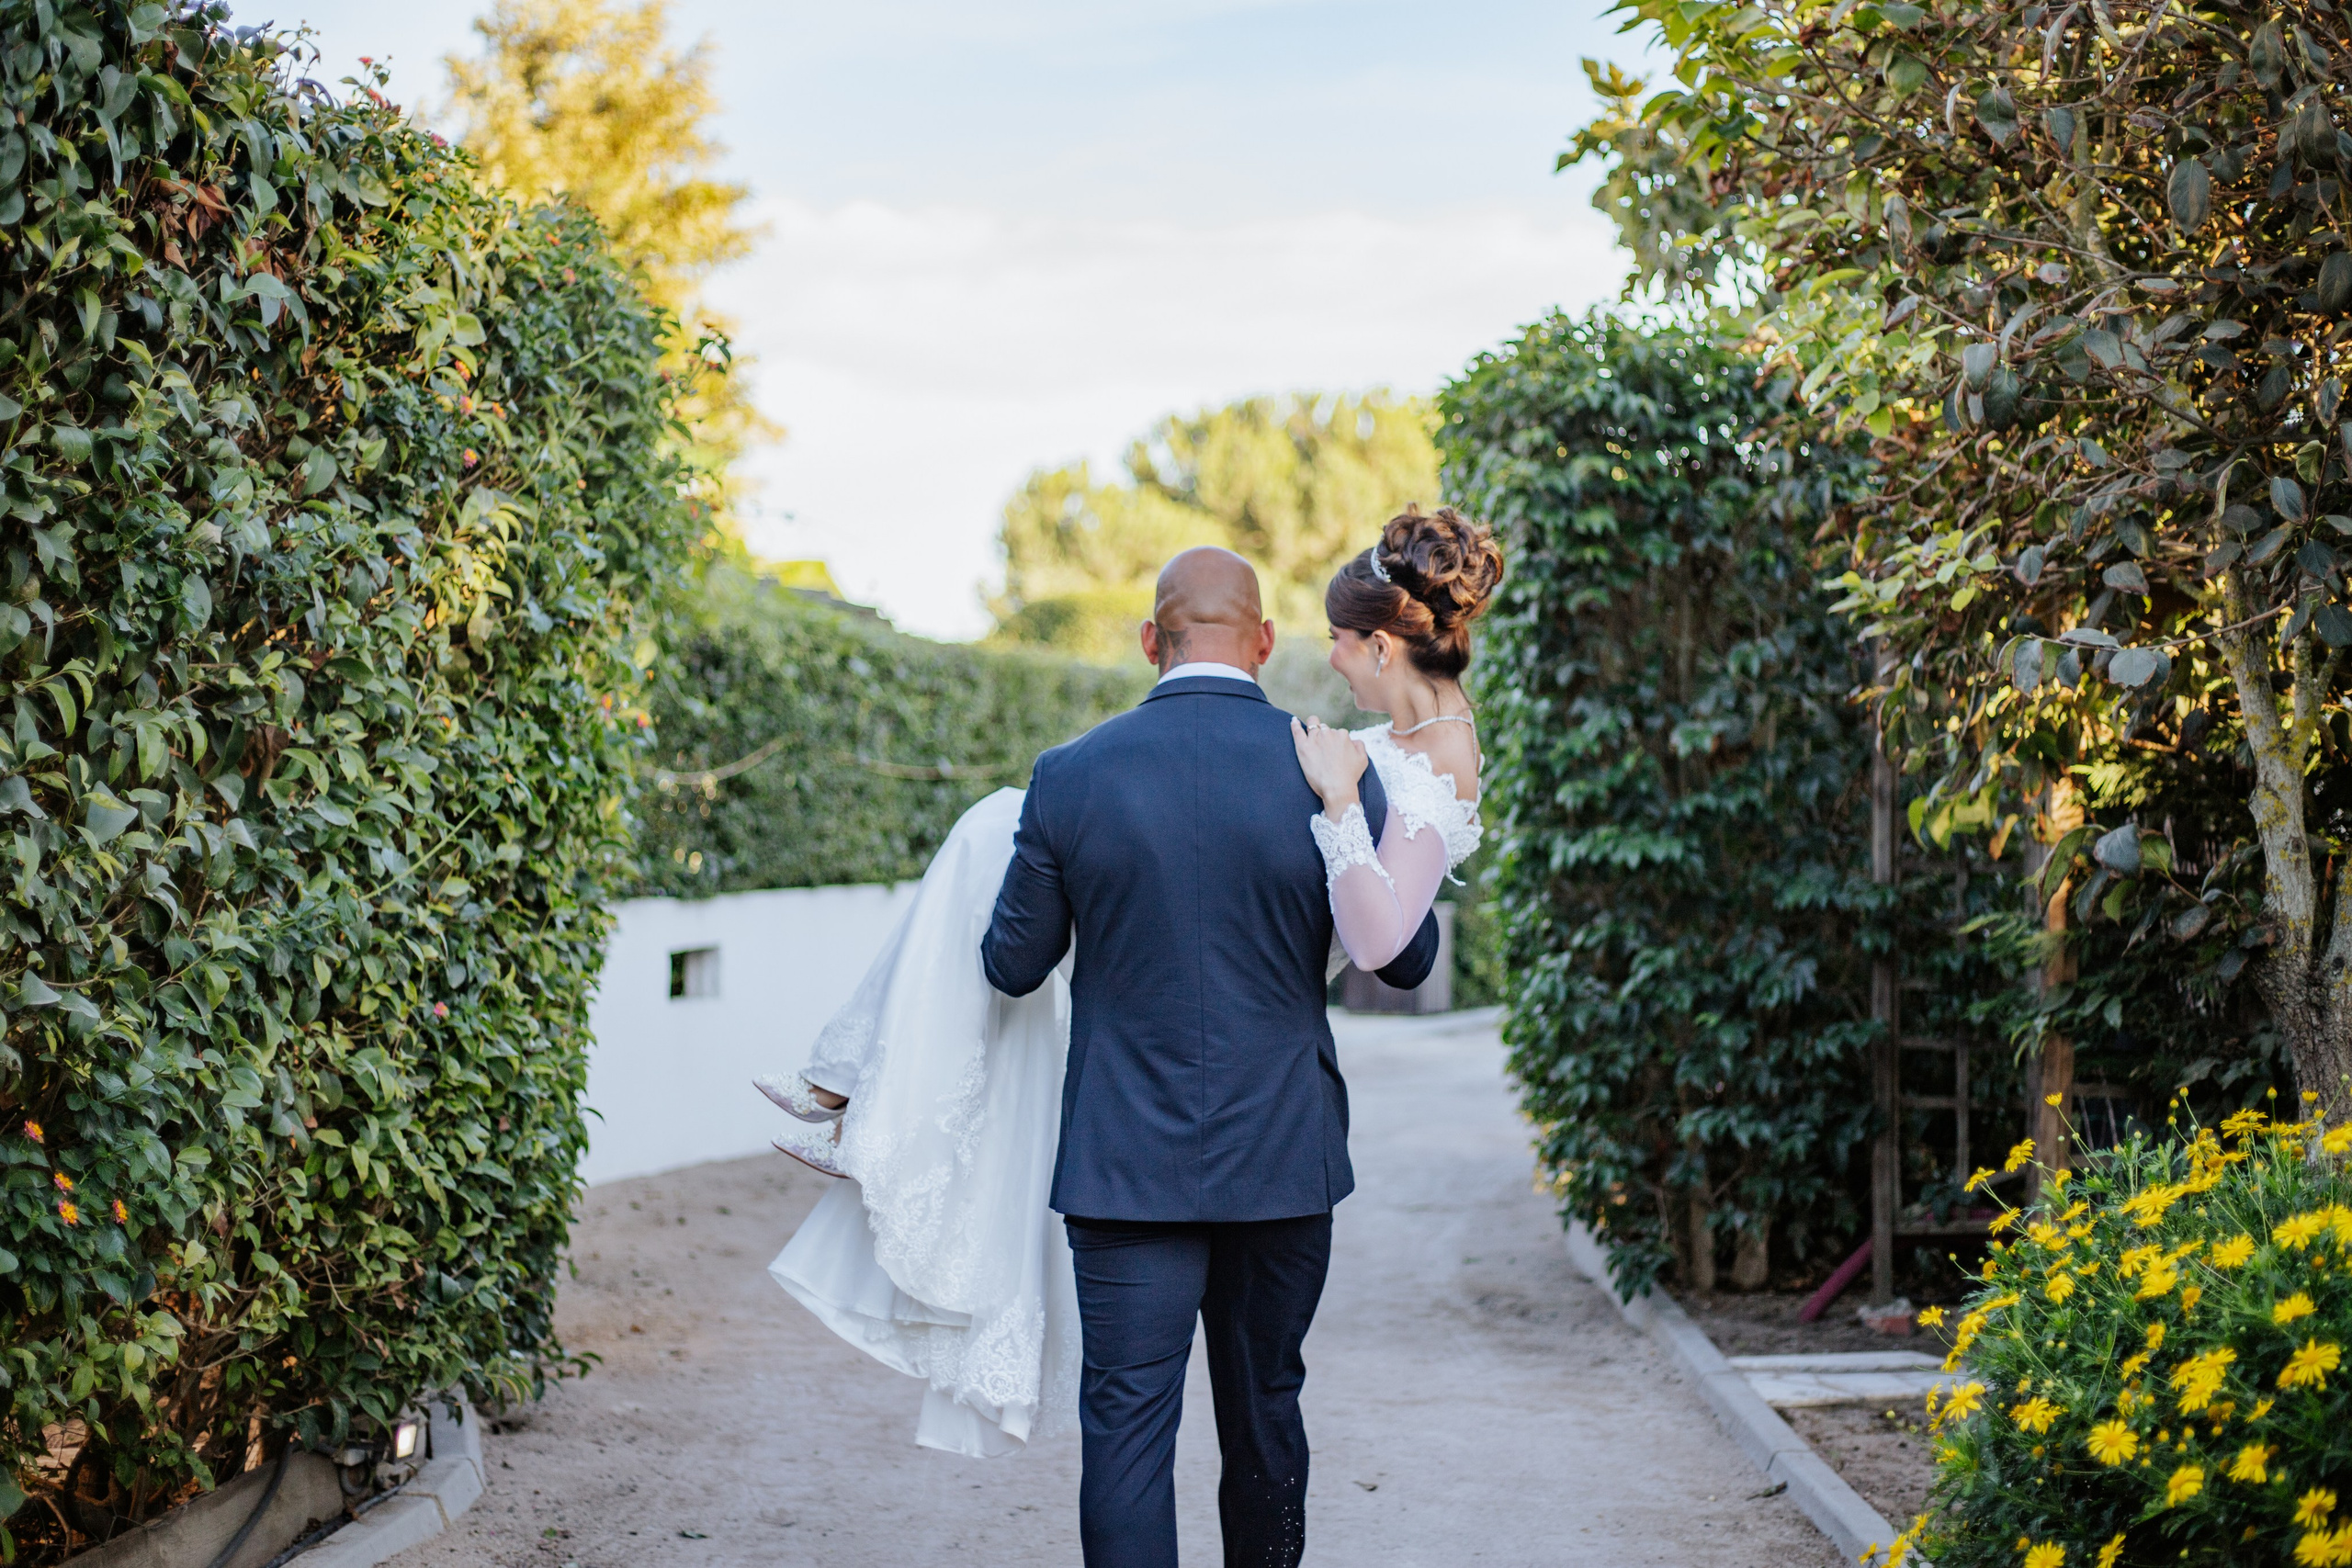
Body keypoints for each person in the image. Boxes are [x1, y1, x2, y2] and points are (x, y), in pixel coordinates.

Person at [758, 513, 1503, 1564]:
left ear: (1150, 641)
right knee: (1266, 1416)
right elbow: (1407, 955)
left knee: (1126, 1430)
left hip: (1123, 1166)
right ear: (1263, 643)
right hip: (1282, 1157)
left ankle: (848, 1089)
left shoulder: (1071, 775)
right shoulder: (1332, 767)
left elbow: (1012, 966)